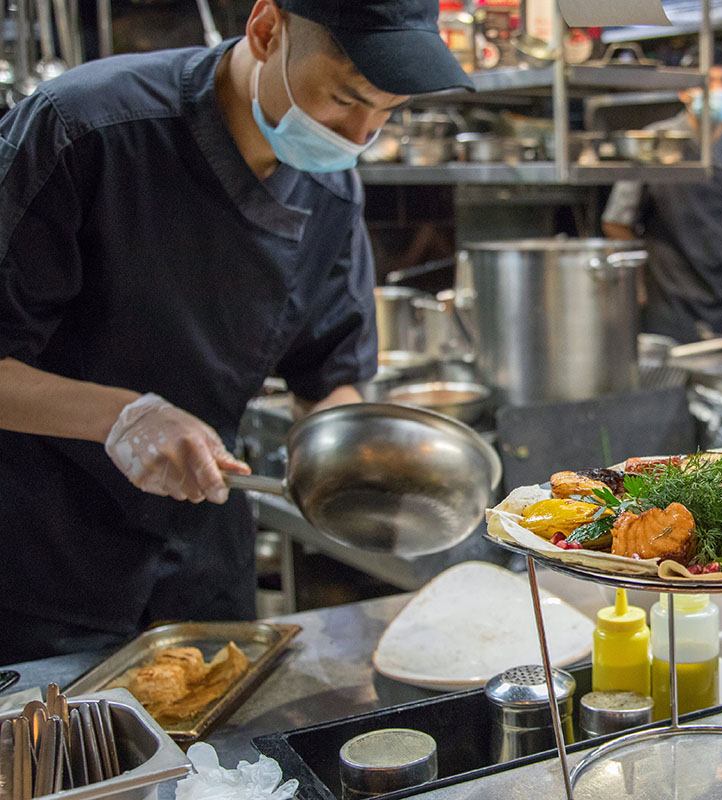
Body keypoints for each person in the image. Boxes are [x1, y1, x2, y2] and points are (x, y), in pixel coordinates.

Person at [0, 0, 472, 663]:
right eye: (344, 99)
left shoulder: (331, 189)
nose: (360, 133)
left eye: (387, 111)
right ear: (266, 30)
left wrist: (351, 458)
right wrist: (125, 417)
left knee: (224, 766)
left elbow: (332, 375)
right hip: (42, 564)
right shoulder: (88, 127)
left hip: (203, 564)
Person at [602, 47, 722, 343]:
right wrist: (649, 269)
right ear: (684, 91)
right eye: (708, 82)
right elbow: (616, 222)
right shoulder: (655, 145)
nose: (718, 90)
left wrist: (709, 255)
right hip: (666, 308)